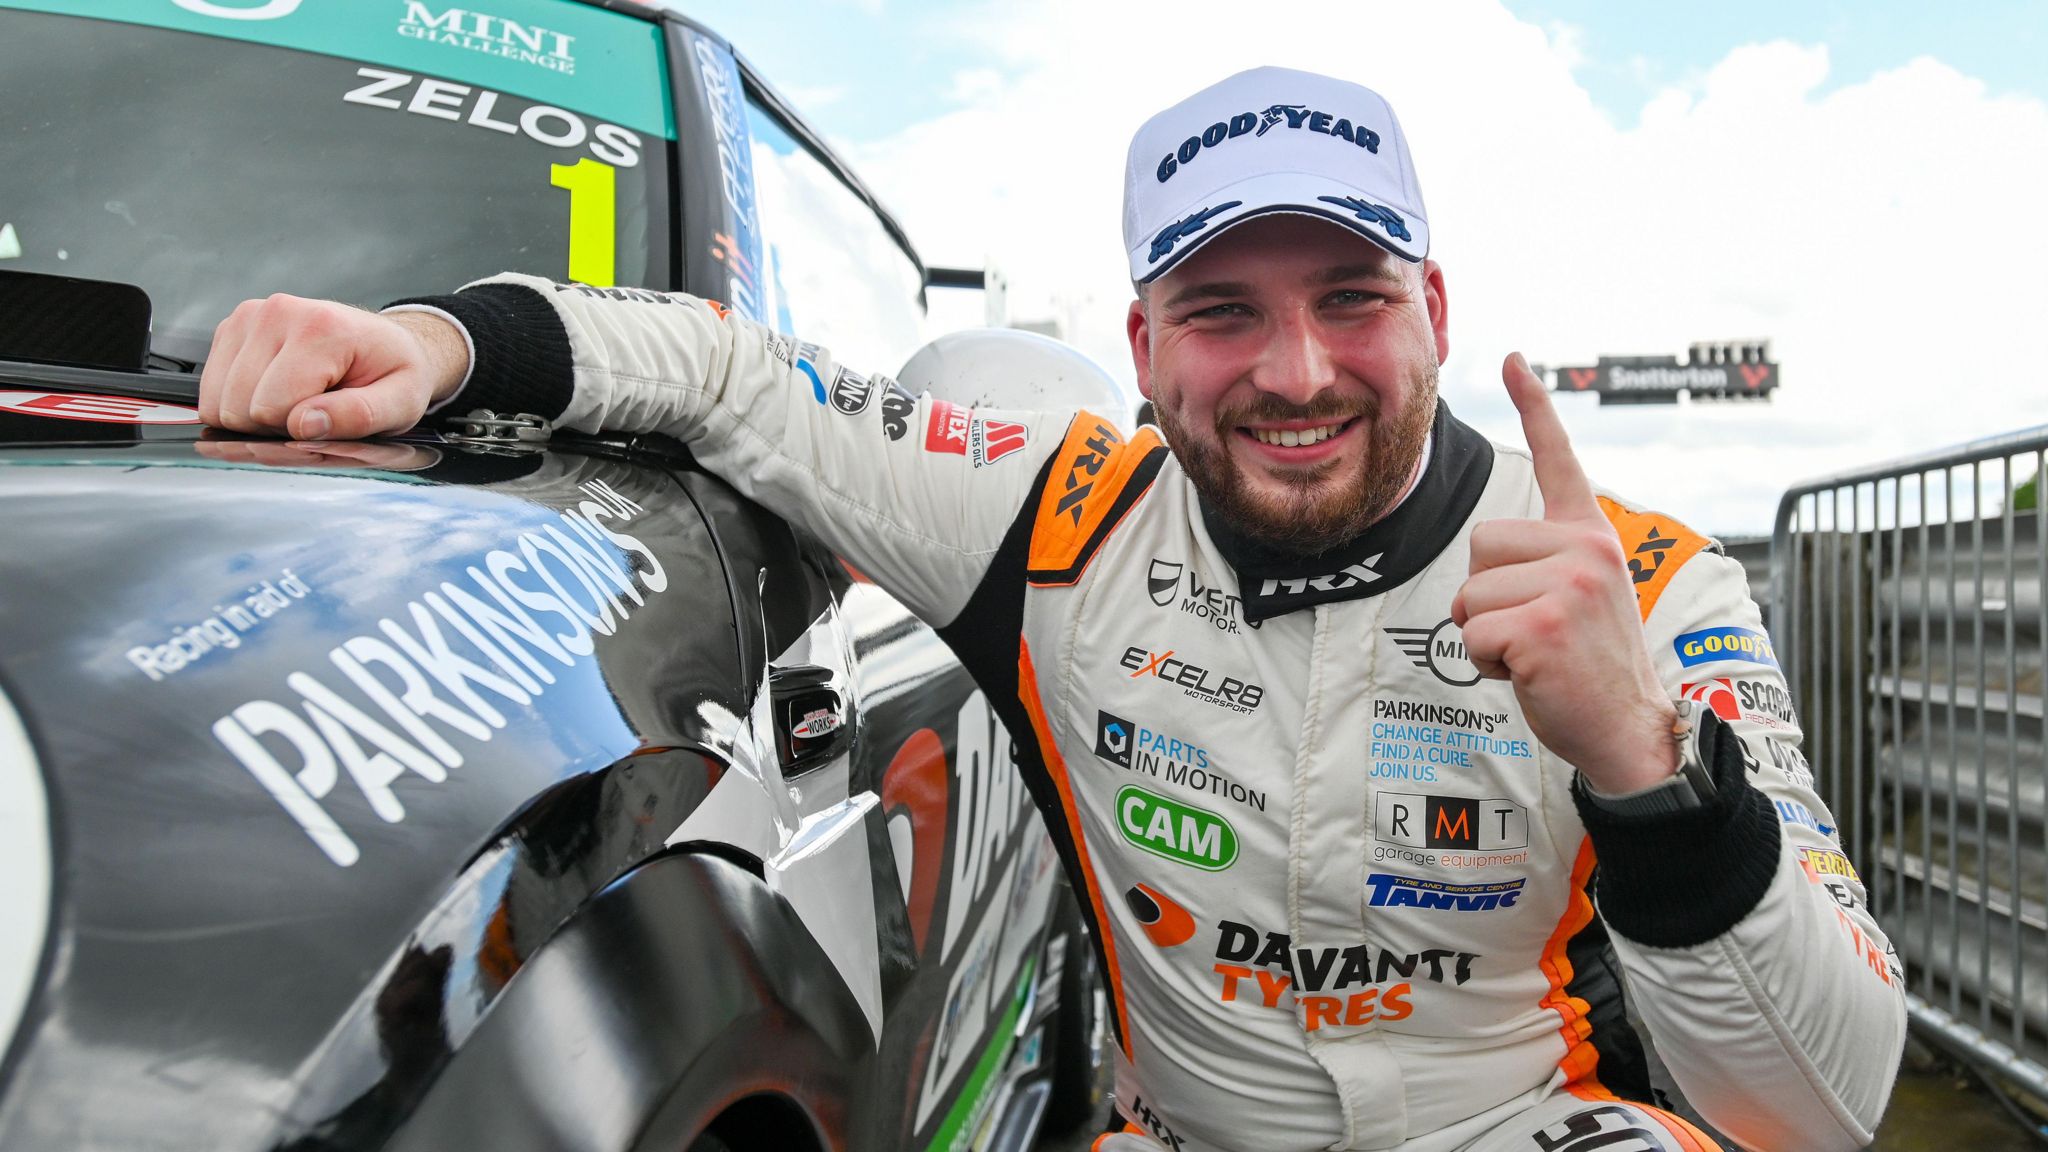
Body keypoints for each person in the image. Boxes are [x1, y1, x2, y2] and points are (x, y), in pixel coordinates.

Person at [200, 66, 1904, 1152]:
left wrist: (1649, 763)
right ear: (1146, 346)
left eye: (1353, 298)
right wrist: (443, 341)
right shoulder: (1055, 514)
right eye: (1225, 311)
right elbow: (738, 378)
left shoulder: (1651, 587)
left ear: (1436, 310)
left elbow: (1825, 1112)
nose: (1297, 371)